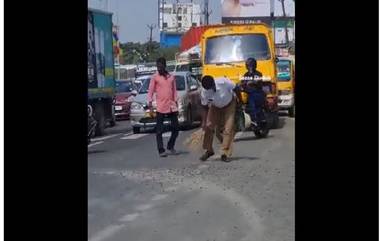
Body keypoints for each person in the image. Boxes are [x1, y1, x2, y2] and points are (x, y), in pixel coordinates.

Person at [199, 75, 243, 162]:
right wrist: (204, 121)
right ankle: (209, 150)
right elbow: (204, 106)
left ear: (213, 83)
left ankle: (224, 153)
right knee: (208, 127)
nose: (210, 90)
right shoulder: (204, 92)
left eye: (211, 87)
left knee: (228, 129)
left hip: (229, 105)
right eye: (208, 89)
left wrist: (240, 102)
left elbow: (236, 88)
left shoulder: (223, 82)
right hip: (215, 107)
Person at [147, 57, 179, 157]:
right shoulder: (155, 77)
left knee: (176, 128)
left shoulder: (171, 77)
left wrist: (176, 103)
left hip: (171, 106)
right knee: (159, 130)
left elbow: (174, 91)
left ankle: (170, 145)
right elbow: (150, 91)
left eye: (160, 67)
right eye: (157, 67)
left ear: (164, 66)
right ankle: (161, 150)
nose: (159, 69)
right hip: (161, 107)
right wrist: (150, 104)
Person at [241, 57, 267, 124]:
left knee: (252, 100)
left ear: (254, 65)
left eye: (250, 65)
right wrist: (240, 84)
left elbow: (257, 81)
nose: (249, 67)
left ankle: (255, 118)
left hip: (257, 92)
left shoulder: (258, 73)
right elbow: (243, 81)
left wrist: (252, 82)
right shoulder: (246, 74)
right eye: (248, 65)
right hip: (248, 93)